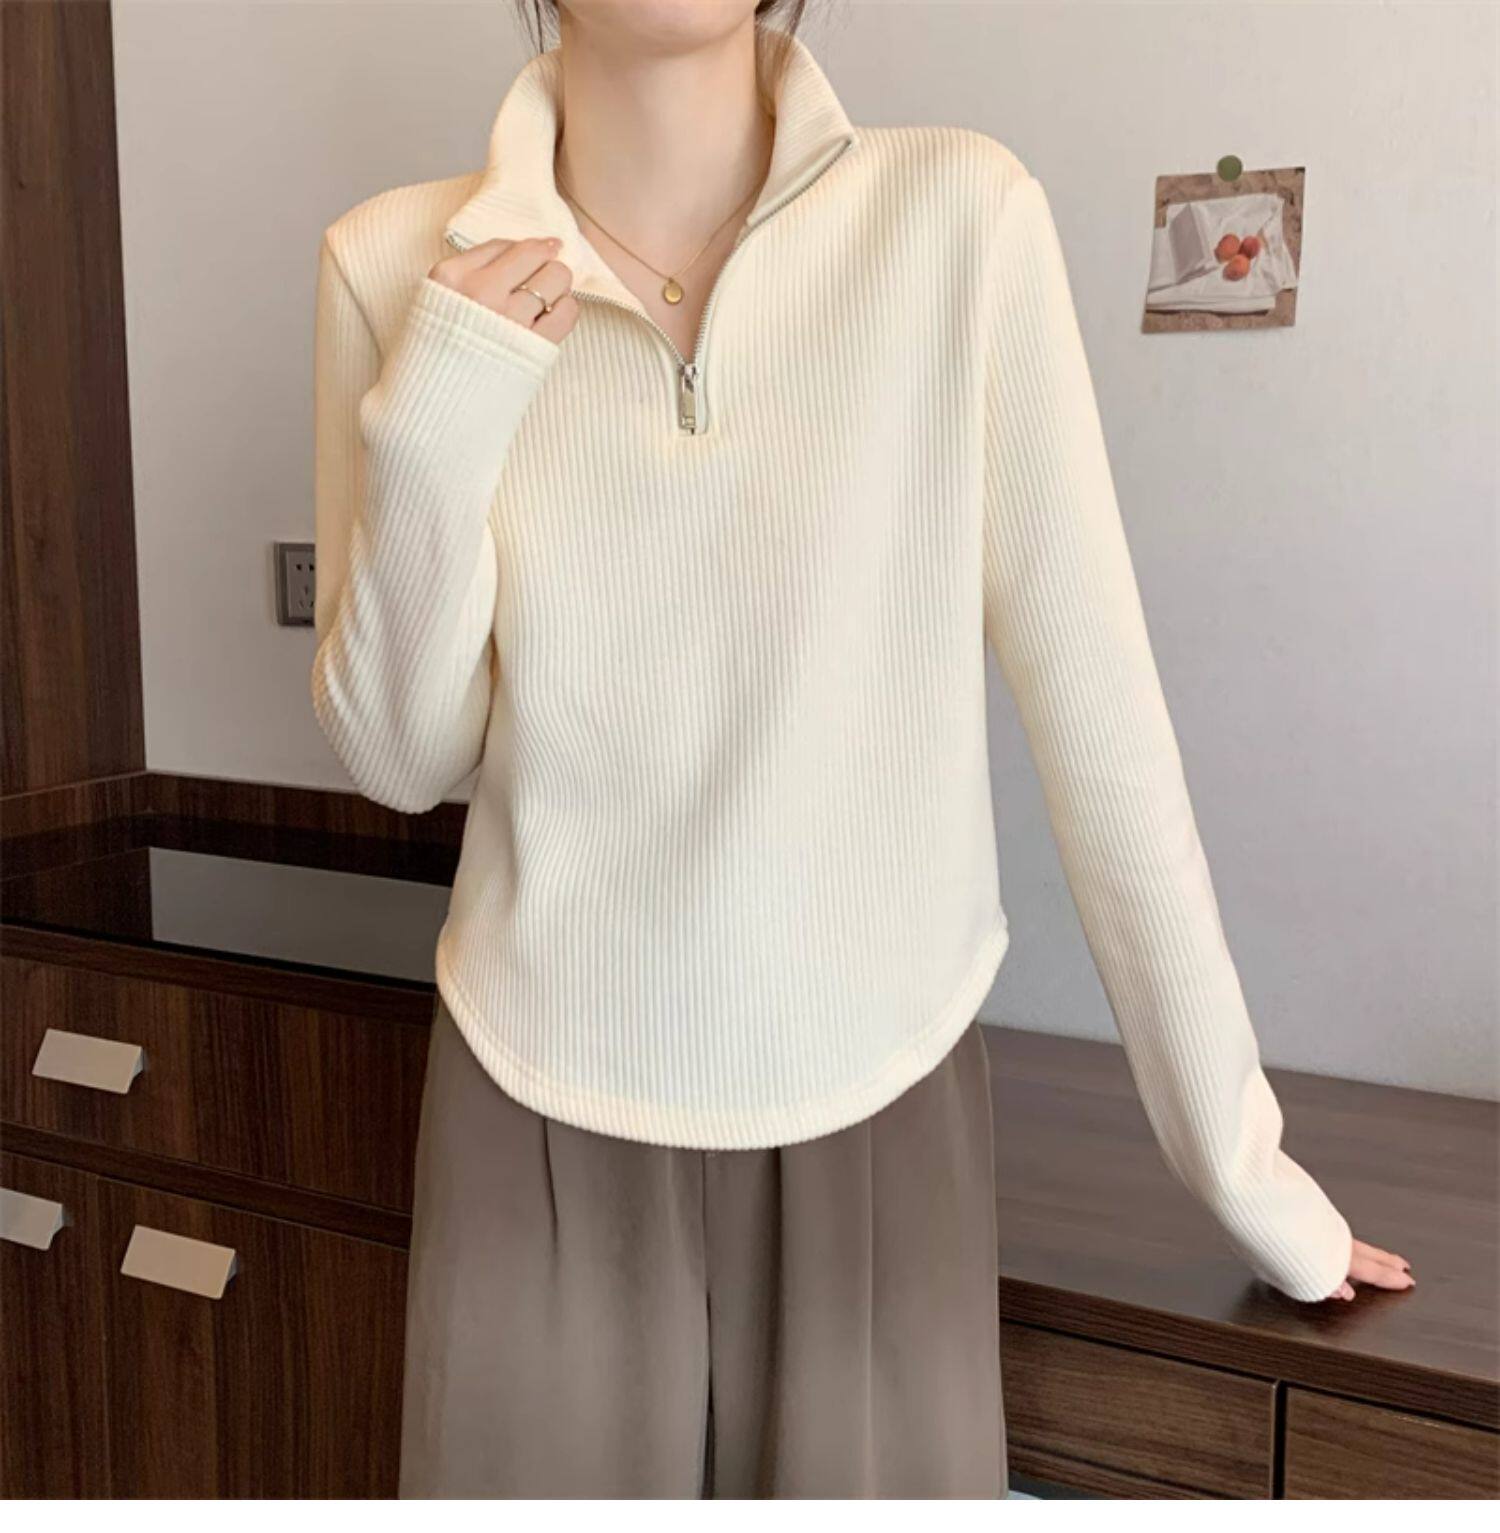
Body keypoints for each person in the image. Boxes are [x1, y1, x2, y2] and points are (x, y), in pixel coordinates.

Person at [308, 0, 1413, 1500]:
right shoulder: (392, 261)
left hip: (879, 1104)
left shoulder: (960, 218)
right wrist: (438, 414)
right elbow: (399, 755)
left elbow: (1105, 730)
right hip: (533, 1097)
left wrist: (1242, 1167)